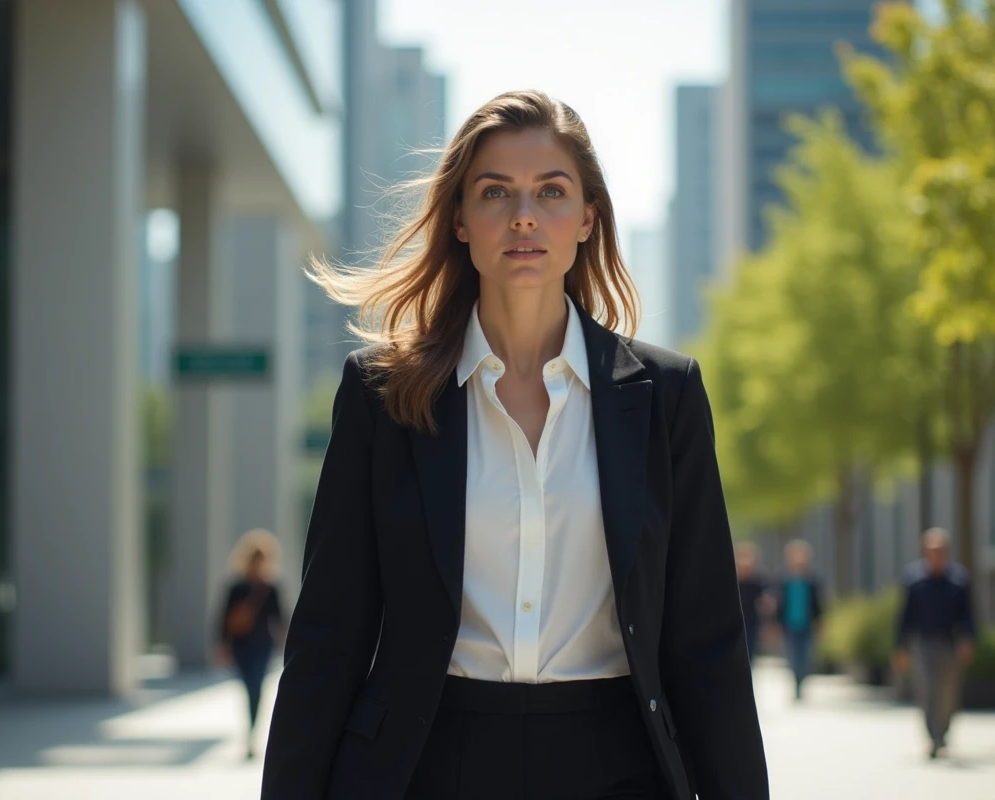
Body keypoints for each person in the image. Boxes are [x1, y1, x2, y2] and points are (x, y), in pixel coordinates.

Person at [261, 91, 768, 800]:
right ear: (461, 221)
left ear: (588, 217)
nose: (524, 214)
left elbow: (706, 643)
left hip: (619, 766)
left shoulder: (666, 395)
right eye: (495, 192)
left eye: (551, 191)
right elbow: (329, 636)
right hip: (428, 764)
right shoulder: (383, 395)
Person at [893, 527, 976, 760]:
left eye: (940, 550)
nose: (936, 555)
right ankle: (933, 738)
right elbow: (904, 616)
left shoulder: (959, 580)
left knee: (949, 693)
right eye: (932, 550)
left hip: (950, 643)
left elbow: (968, 614)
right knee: (928, 690)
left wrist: (968, 640)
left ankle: (944, 730)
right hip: (923, 644)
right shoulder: (914, 580)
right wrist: (900, 647)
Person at [216, 528, 286, 760]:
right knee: (249, 688)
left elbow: (280, 618)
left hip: (263, 645)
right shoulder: (236, 587)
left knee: (256, 688)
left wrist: (288, 644)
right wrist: (222, 645)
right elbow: (223, 618)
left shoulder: (271, 587)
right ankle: (251, 732)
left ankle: (252, 734)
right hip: (241, 646)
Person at [773, 540, 823, 700]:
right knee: (792, 656)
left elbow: (819, 604)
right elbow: (778, 604)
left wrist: (820, 622)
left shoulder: (812, 580)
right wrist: (775, 624)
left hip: (806, 624)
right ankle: (796, 682)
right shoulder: (783, 580)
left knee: (805, 656)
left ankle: (801, 682)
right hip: (789, 624)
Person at [735, 542, 770, 666]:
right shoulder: (733, 579)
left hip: (752, 622)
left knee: (750, 651)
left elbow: (766, 602)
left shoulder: (758, 581)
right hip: (734, 622)